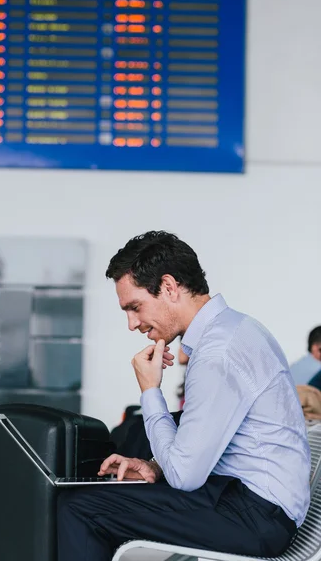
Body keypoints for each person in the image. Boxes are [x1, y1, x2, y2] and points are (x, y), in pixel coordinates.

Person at [57, 231, 310, 561]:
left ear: (169, 287)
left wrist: (150, 390)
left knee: (79, 509)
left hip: (254, 515)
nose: (132, 324)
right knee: (96, 496)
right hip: (252, 504)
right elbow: (204, 444)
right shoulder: (233, 330)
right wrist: (154, 466)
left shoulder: (218, 353)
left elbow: (185, 476)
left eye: (135, 307)